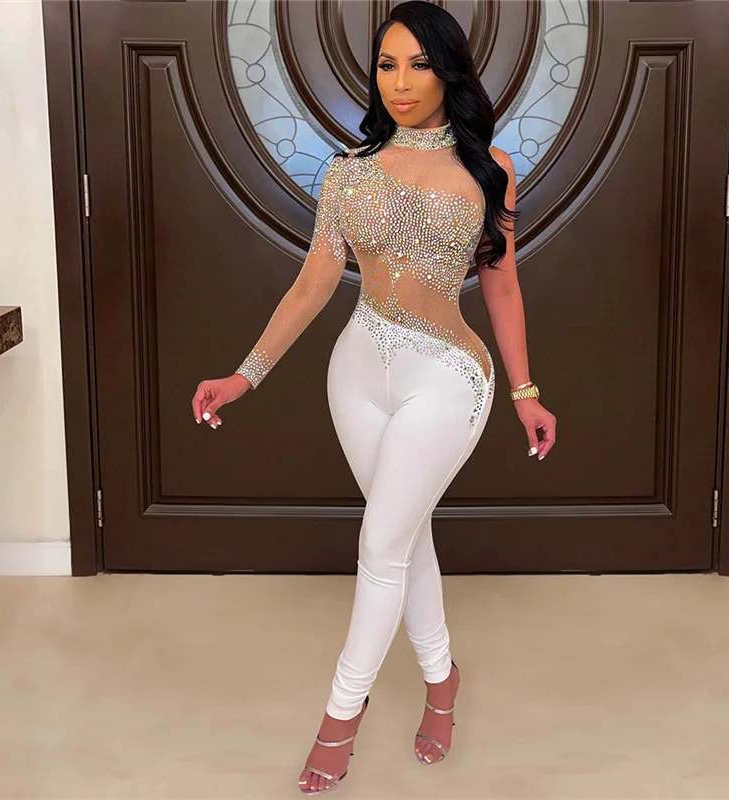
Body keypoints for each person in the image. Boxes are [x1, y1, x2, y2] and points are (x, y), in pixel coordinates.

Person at [191, 1, 557, 794]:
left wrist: (525, 391)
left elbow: (502, 288)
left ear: (450, 71)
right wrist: (245, 374)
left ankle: (339, 718)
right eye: (387, 64)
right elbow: (312, 284)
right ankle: (442, 678)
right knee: (404, 539)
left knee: (381, 545)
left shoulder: (490, 168)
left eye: (420, 64)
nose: (401, 82)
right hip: (356, 372)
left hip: (447, 376)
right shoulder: (348, 171)